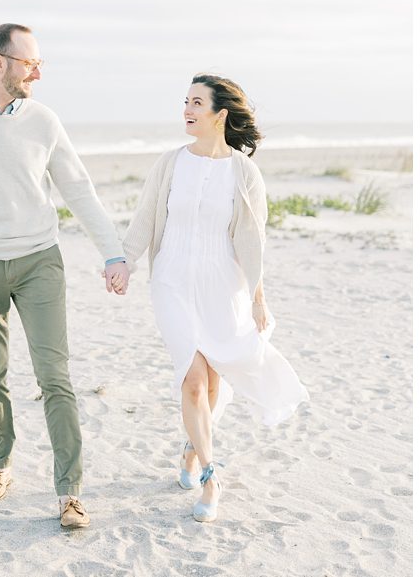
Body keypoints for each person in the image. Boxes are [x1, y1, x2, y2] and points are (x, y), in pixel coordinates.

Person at [0, 23, 130, 530]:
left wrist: (112, 253)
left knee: (55, 377)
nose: (37, 72)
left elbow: (78, 189)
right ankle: (1, 465)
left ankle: (70, 492)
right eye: (29, 62)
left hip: (40, 262)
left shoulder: (44, 121)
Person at [121, 74, 309, 523]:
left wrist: (259, 298)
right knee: (192, 374)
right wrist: (123, 262)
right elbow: (146, 216)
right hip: (171, 280)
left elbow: (252, 241)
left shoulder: (244, 172)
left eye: (196, 103)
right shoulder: (170, 163)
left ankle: (192, 444)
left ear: (220, 114)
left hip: (223, 284)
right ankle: (210, 473)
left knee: (212, 376)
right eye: (185, 101)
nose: (187, 109)